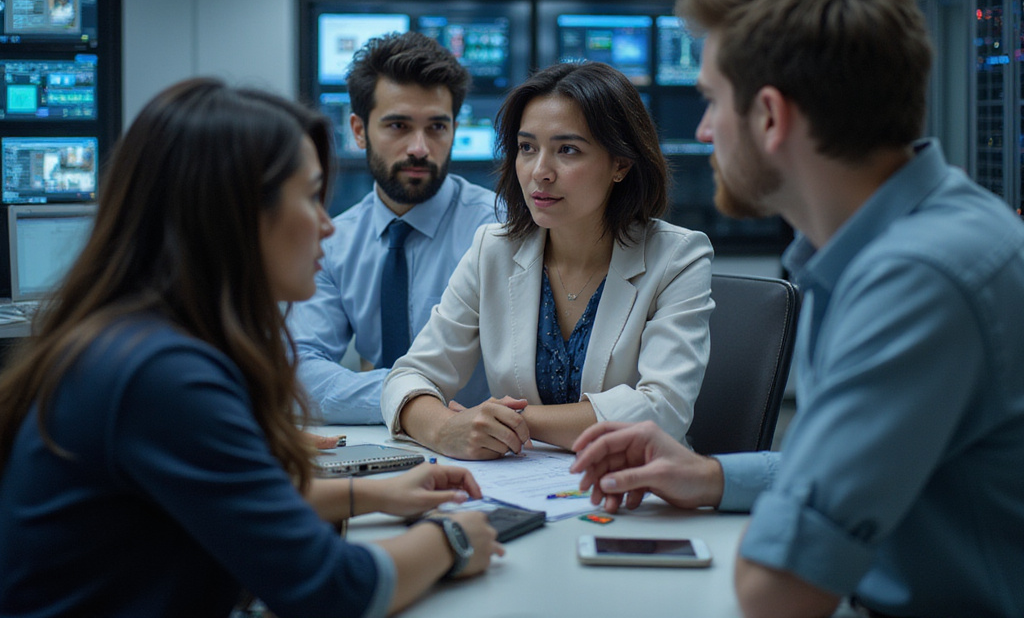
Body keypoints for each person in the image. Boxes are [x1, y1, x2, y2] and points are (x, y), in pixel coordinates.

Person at [570, 0, 1024, 618]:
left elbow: (776, 590)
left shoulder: (918, 278)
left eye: (713, 101)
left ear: (772, 118)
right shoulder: (893, 240)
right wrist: (711, 475)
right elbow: (872, 464)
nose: (702, 128)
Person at [0, 79, 502, 617]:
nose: (329, 226)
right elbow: (335, 590)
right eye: (311, 197)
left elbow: (230, 503)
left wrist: (376, 494)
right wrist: (450, 537)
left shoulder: (137, 341)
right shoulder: (161, 375)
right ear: (233, 213)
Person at [381, 61, 714, 460]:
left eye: (567, 150)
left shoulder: (677, 257)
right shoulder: (494, 248)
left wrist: (512, 422)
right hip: (525, 485)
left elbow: (662, 412)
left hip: (639, 485)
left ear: (621, 164)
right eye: (527, 148)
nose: (540, 172)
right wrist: (445, 428)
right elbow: (409, 377)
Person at [288, 31, 497, 424]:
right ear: (358, 130)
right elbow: (296, 370)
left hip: (492, 451)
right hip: (387, 445)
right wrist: (414, 407)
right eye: (398, 126)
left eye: (437, 127)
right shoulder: (335, 242)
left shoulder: (500, 231)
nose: (419, 147)